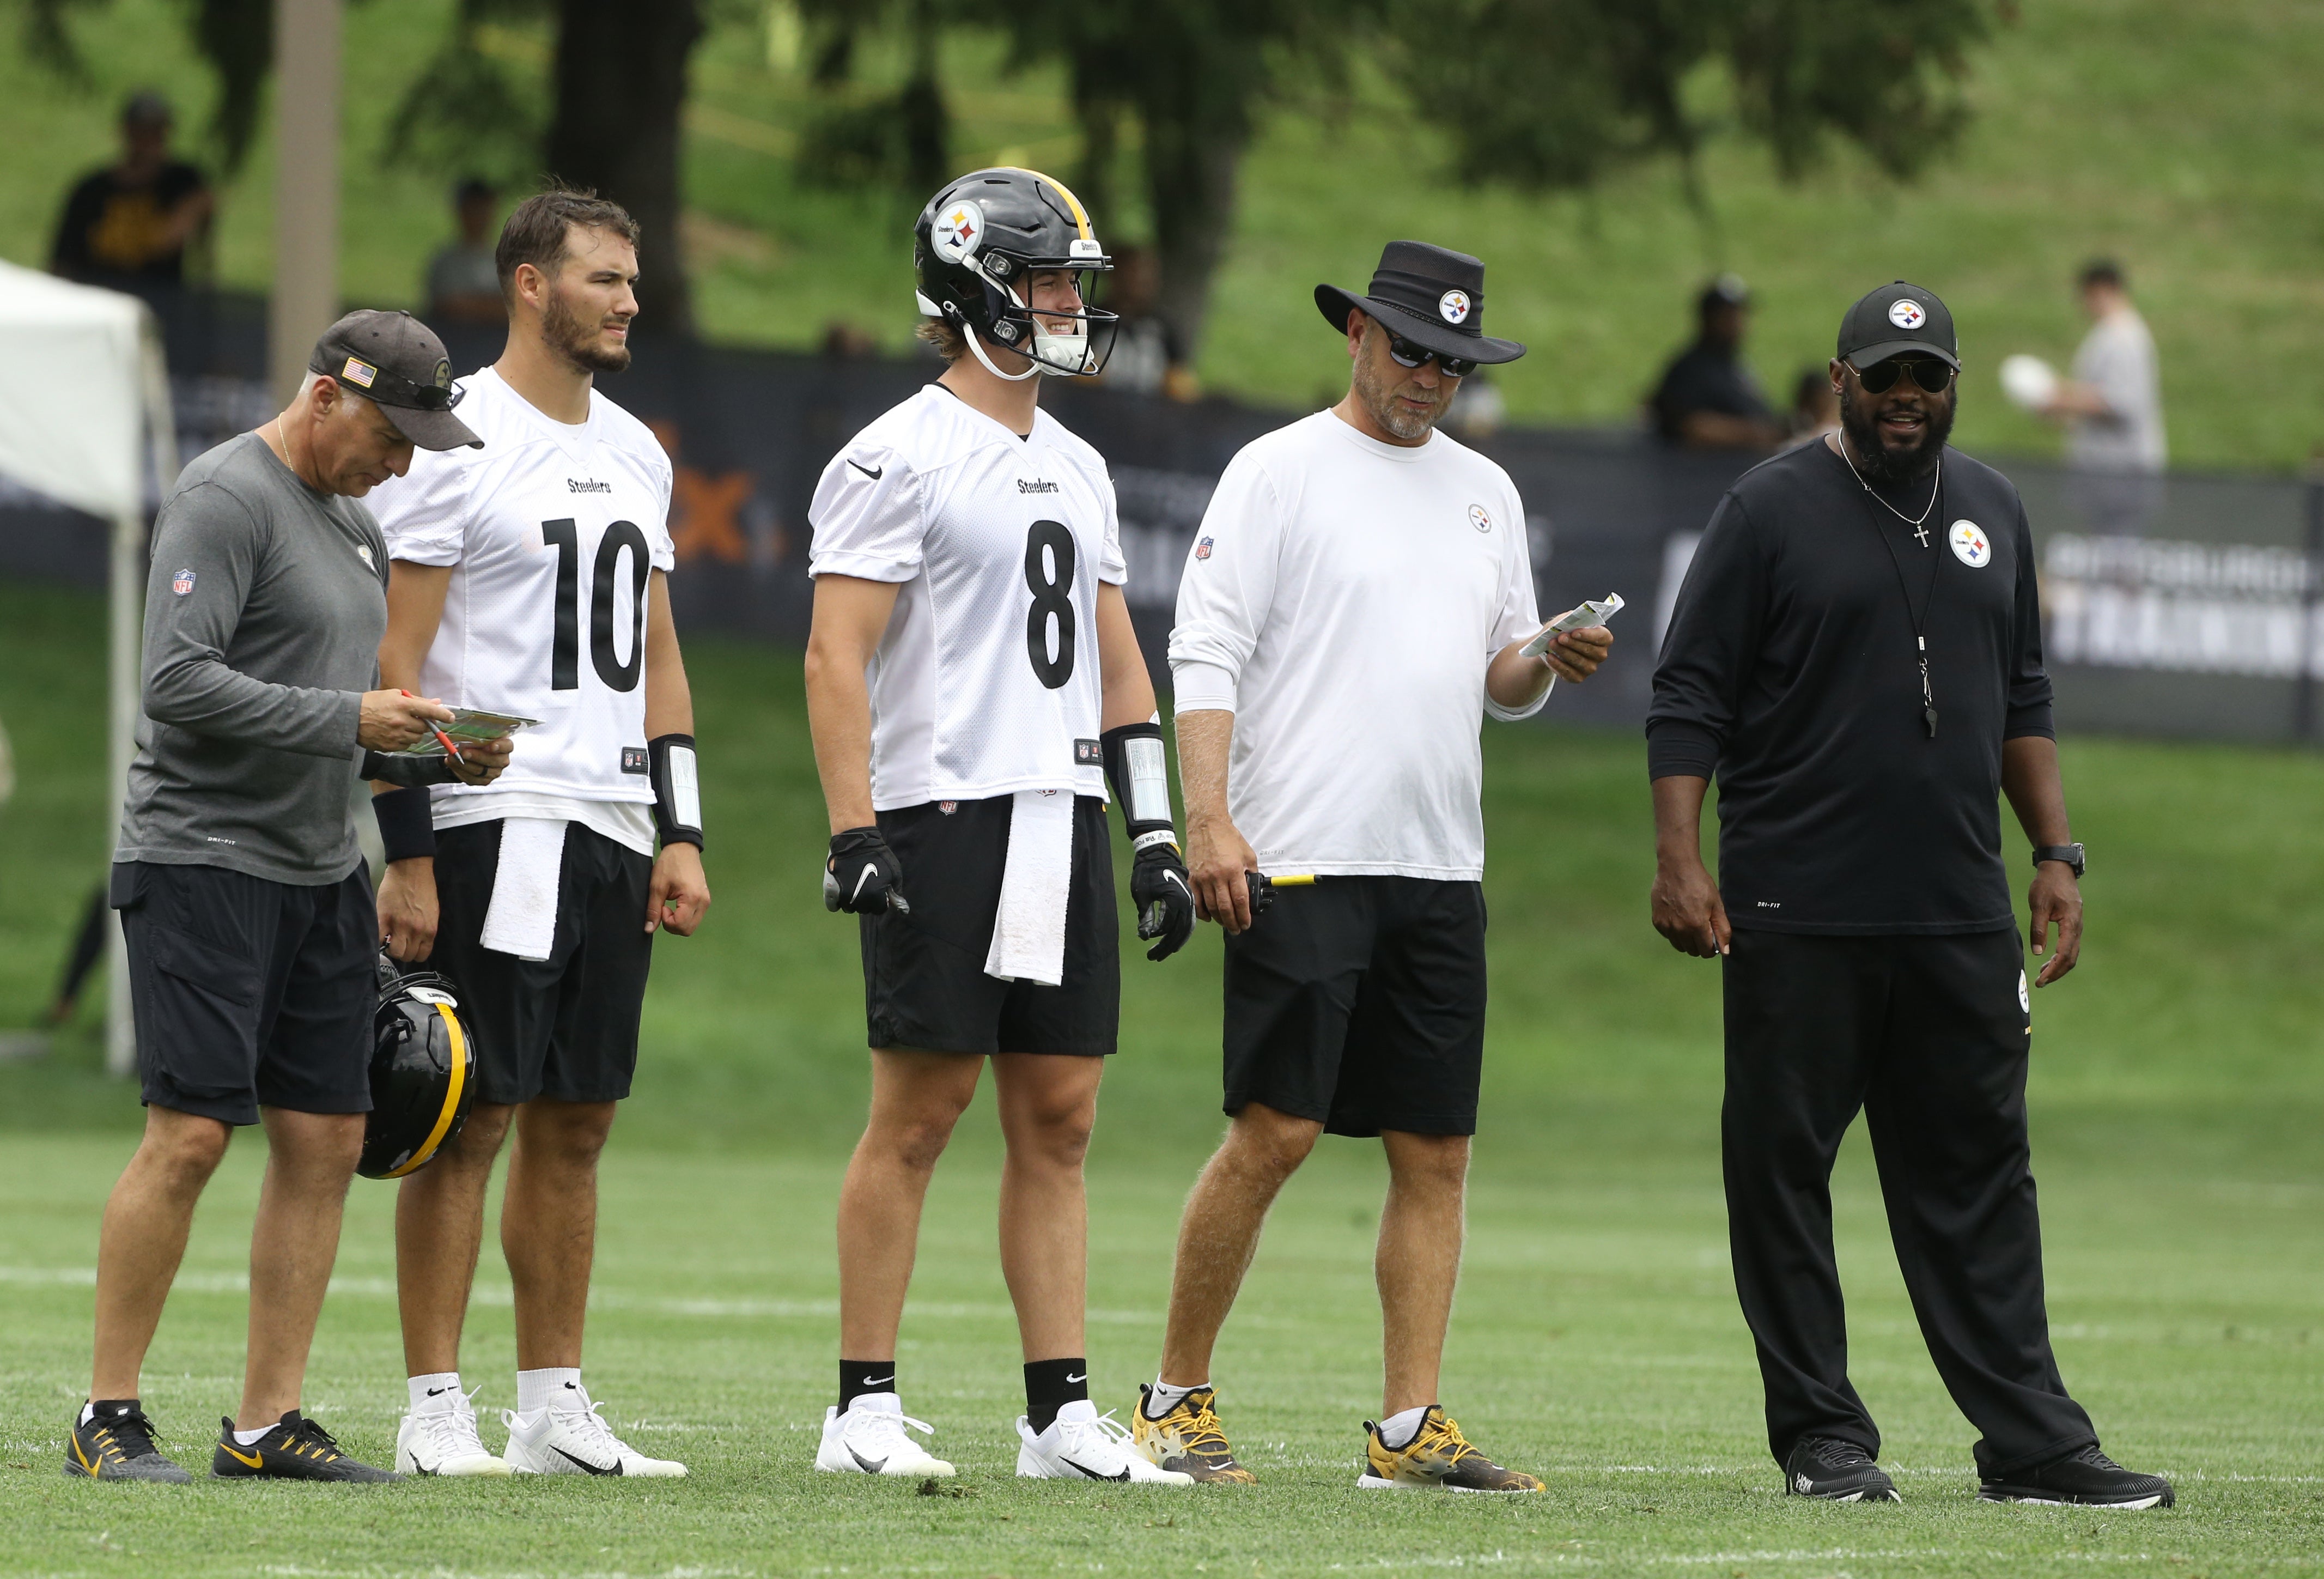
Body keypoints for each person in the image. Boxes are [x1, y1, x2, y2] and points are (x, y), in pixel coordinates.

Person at [1646, 281, 2175, 1509]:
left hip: (1958, 911)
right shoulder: (1767, 506)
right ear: (1840, 378)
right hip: (1798, 910)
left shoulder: (1993, 506)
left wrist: (2055, 850)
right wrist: (1681, 859)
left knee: (1981, 1176)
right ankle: (1825, 1442)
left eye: (1926, 376)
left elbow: (2024, 694)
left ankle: (2035, 1445)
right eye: (1882, 375)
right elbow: (1690, 694)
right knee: (1783, 1173)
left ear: (1953, 386)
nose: (1905, 397)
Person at [1135, 241, 1610, 1491]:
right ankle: (1172, 1404)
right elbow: (1204, 652)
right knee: (1275, 1133)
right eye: (1410, 348)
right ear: (1354, 332)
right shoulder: (1276, 472)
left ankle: (1407, 1431)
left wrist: (1544, 657)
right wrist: (1209, 823)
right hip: (1294, 856)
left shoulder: (1483, 495)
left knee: (1434, 1152)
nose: (1429, 378)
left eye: (1452, 361)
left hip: (1437, 867)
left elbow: (1497, 680)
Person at [803, 167, 1197, 1486]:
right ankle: (859, 1407)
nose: (1065, 308)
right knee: (917, 1114)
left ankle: (1056, 1418)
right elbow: (832, 655)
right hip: (945, 808)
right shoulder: (891, 451)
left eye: (1069, 287)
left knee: (1063, 1120)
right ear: (975, 290)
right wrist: (854, 828)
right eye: (1042, 284)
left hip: (1059, 810)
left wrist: (1152, 833)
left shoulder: (1078, 464)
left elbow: (1120, 667)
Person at [67, 312, 503, 1483]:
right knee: (192, 1136)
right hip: (205, 861)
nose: (404, 463)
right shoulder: (224, 496)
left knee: (328, 1138)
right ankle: (107, 1414)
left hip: (321, 874)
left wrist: (428, 755)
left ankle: (266, 1425)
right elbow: (174, 682)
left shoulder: (358, 527)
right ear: (325, 395)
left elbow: (340, 705)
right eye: (392, 433)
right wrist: (351, 720)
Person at [366, 188, 710, 1480]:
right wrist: (407, 850)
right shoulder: (459, 441)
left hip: (613, 819)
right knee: (473, 1111)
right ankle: (433, 1405)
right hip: (494, 817)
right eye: (603, 279)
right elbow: (394, 663)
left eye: (631, 280)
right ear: (530, 285)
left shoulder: (638, 448)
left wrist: (681, 830)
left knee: (580, 1119)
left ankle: (552, 1405)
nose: (629, 299)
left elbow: (660, 656)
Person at [2041, 259, 2165, 534]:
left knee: (2116, 554)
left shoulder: (2124, 337)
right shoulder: (2114, 334)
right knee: (2108, 550)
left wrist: (2060, 399)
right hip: (2110, 469)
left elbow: (2121, 403)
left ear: (2102, 290)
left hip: (2121, 469)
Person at [50, 90, 214, 289]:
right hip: (101, 296)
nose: (148, 140)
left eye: (155, 131)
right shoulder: (91, 190)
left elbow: (174, 237)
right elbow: (62, 262)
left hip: (162, 300)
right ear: (126, 131)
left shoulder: (183, 181)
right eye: (141, 131)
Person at [1647, 275, 1787, 450]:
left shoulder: (1736, 366)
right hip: (1705, 474)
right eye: (1728, 315)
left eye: (1741, 314)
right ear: (1708, 318)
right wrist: (1757, 434)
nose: (1738, 323)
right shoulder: (1690, 369)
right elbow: (1692, 426)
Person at [424, 179, 506, 325]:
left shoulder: (505, 260)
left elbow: (513, 308)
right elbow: (449, 305)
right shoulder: (446, 262)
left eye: (482, 209)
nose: (478, 217)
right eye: (473, 209)